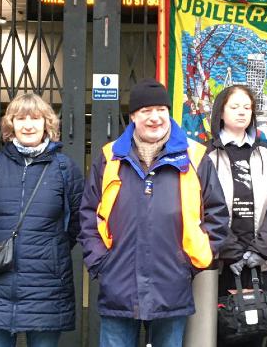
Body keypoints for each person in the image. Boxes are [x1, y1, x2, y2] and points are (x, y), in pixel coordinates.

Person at [79, 78, 229, 347]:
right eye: (146, 111)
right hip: (118, 284)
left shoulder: (195, 156)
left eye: (161, 109)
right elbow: (89, 213)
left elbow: (217, 215)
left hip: (172, 284)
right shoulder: (109, 157)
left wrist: (192, 262)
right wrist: (101, 261)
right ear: (133, 116)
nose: (155, 117)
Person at [0, 92, 84, 346]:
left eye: (35, 118)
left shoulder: (65, 168)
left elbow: (76, 220)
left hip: (47, 283)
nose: (28, 125)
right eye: (21, 118)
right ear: (11, 125)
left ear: (47, 123)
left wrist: (51, 249)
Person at [205, 85, 267, 346]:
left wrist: (261, 249)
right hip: (217, 260)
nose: (242, 113)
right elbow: (201, 205)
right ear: (221, 111)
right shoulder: (206, 156)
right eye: (234, 107)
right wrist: (231, 250)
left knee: (252, 329)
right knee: (217, 331)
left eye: (247, 107)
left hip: (257, 260)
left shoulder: (266, 153)